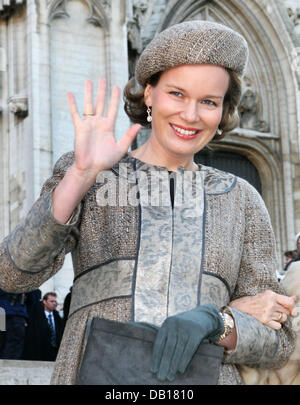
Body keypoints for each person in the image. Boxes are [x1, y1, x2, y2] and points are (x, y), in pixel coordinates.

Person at [0, 20, 296, 384]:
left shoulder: (241, 199)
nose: (191, 115)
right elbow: (12, 274)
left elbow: (280, 341)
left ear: (223, 112)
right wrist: (80, 175)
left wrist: (217, 323)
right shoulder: (95, 177)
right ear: (149, 94)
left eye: (208, 101)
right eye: (177, 94)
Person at [22, 292, 64, 361]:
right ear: (44, 302)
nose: (54, 303)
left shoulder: (57, 317)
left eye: (55, 301)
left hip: (55, 353)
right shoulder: (36, 317)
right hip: (41, 352)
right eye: (51, 301)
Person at [0, 288, 28, 359]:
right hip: (16, 312)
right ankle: (7, 366)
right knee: (14, 342)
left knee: (2, 339)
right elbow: (33, 297)